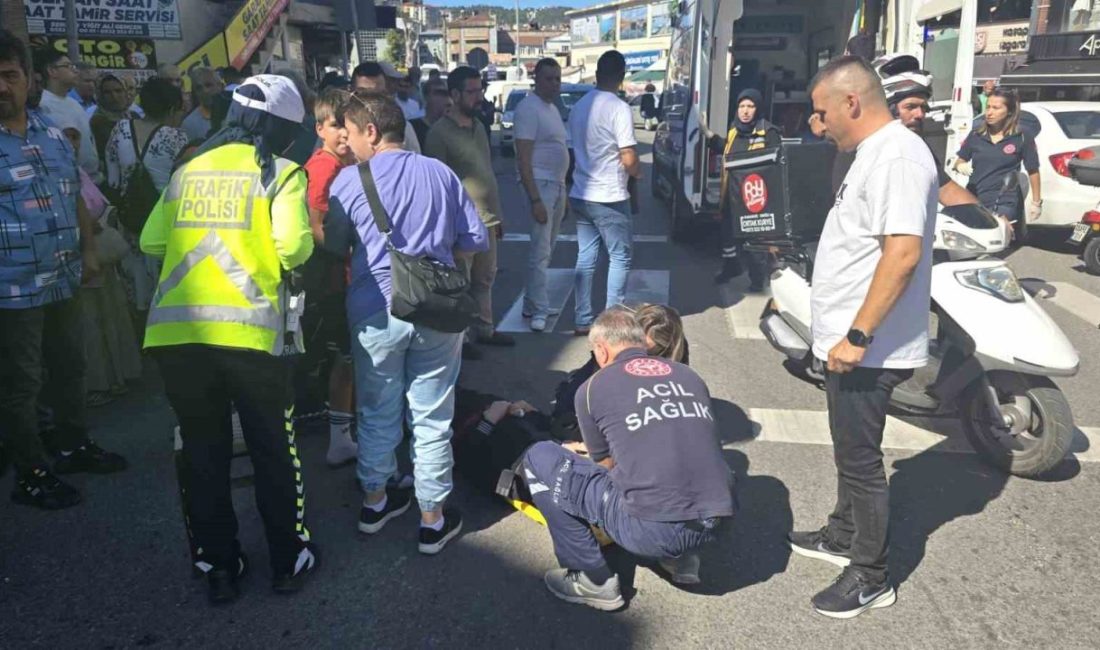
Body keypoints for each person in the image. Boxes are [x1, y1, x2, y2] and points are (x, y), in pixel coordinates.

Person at [140, 75, 318, 604]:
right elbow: (293, 248)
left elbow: (151, 242)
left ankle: (218, 564)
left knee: (203, 450)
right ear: (282, 129)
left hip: (177, 337)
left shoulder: (187, 170)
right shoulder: (280, 173)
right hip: (251, 338)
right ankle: (287, 559)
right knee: (273, 448)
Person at [788, 56, 936, 619]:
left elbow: (903, 254)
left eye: (822, 112)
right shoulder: (872, 152)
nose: (819, 124)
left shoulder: (897, 156)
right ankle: (843, 533)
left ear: (852, 102)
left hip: (868, 347)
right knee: (849, 449)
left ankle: (871, 575)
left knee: (860, 460)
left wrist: (857, 334)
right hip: (850, 342)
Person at [323, 89, 489, 554]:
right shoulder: (440, 172)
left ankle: (375, 502)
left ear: (371, 131)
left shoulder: (348, 181)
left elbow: (334, 246)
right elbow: (473, 239)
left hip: (374, 310)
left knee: (377, 409)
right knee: (432, 415)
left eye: (350, 132)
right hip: (436, 308)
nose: (347, 141)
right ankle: (432, 519)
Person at [522, 307, 735, 610]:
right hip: (718, 522)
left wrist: (573, 456)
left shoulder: (592, 387)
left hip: (653, 531)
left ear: (601, 350)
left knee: (540, 455)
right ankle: (680, 558)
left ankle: (591, 578)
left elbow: (603, 467)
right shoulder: (689, 375)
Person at [0, 30, 128, 510]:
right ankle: (31, 472)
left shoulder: (50, 132)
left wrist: (89, 251)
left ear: (29, 79)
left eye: (10, 75)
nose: (2, 87)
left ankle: (72, 446)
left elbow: (73, 193)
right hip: (11, 290)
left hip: (63, 277)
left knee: (71, 367)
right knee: (21, 384)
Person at [52, 113, 142, 408]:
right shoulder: (53, 174)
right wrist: (86, 227)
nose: (71, 143)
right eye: (65, 136)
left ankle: (117, 377)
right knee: (89, 324)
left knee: (110, 318)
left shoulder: (77, 171)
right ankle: (95, 384)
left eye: (75, 136)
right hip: (79, 260)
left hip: (102, 259)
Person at [426, 66, 515, 348]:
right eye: (472, 92)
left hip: (487, 220)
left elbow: (486, 172)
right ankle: (461, 341)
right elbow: (436, 185)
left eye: (480, 90)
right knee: (460, 283)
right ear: (455, 95)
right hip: (461, 224)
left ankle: (485, 330)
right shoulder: (439, 134)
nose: (479, 97)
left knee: (485, 279)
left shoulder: (479, 127)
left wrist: (498, 215)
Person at [300, 88, 358, 467]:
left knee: (347, 358)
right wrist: (353, 253)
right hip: (333, 281)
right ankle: (340, 438)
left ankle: (345, 430)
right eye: (336, 125)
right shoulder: (324, 167)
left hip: (340, 278)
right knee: (345, 359)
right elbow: (316, 225)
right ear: (320, 128)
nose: (343, 134)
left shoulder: (341, 164)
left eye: (347, 126)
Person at [105, 77, 191, 330]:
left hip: (129, 223)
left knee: (136, 288)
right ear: (171, 109)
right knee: (164, 288)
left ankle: (139, 337)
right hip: (164, 225)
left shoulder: (120, 129)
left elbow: (112, 180)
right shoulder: (177, 137)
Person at [568, 50, 642, 335]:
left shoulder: (579, 107)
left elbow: (572, 151)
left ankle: (582, 318)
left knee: (585, 256)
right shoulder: (619, 108)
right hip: (610, 195)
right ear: (621, 77)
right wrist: (637, 173)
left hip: (581, 192)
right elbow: (628, 157)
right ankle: (612, 323)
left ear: (597, 75)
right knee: (619, 257)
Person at [873, 54, 980, 209]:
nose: (920, 115)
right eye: (910, 107)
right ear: (888, 108)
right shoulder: (867, 145)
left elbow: (946, 189)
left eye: (924, 108)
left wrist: (988, 217)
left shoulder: (916, 145)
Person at [703, 88, 782, 289]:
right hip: (732, 195)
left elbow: (776, 167)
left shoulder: (769, 132)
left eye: (750, 106)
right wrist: (709, 135)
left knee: (754, 243)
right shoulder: (734, 131)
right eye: (742, 106)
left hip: (755, 199)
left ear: (758, 109)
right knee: (727, 237)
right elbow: (726, 148)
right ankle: (731, 267)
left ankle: (757, 280)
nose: (745, 111)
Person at [515, 58, 569, 333]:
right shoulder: (528, 108)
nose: (555, 84)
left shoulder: (553, 109)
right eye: (549, 78)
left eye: (558, 78)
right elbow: (523, 158)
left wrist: (563, 190)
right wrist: (535, 198)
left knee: (548, 248)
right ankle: (539, 309)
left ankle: (531, 302)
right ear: (536, 79)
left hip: (556, 185)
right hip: (540, 184)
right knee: (540, 250)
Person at [954, 88, 1042, 237]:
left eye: (996, 108)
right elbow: (959, 160)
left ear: (1009, 111)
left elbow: (1033, 170)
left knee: (998, 233)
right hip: (975, 196)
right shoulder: (976, 135)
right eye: (988, 107)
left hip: (1005, 198)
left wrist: (1036, 202)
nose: (989, 112)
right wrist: (960, 166)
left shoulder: (1021, 136)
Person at [34, 48, 99, 181]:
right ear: (52, 71)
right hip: (65, 179)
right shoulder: (42, 105)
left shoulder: (74, 104)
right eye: (68, 66)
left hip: (91, 179)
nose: (75, 71)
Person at [352, 61, 422, 153]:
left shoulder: (404, 129)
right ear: (351, 93)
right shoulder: (340, 130)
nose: (371, 101)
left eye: (378, 95)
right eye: (363, 94)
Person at [89, 73, 133, 163]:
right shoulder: (98, 122)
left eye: (118, 91)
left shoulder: (134, 115)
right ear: (100, 95)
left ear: (126, 92)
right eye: (107, 93)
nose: (114, 96)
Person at [181, 66, 223, 142]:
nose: (205, 91)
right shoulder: (189, 124)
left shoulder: (236, 109)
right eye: (199, 88)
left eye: (208, 85)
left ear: (219, 86)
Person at [410, 78, 451, 149]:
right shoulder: (412, 128)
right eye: (438, 94)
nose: (444, 99)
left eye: (446, 94)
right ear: (426, 97)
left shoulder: (451, 129)